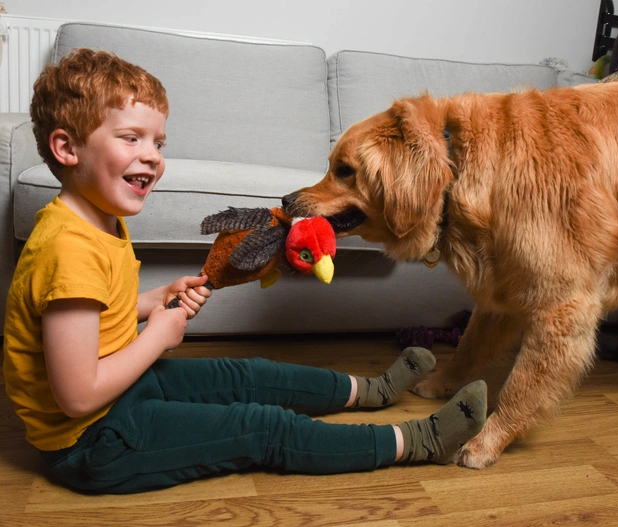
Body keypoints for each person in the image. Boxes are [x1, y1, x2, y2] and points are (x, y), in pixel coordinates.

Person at [2, 48, 488, 494]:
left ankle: (372, 391)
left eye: (158, 141)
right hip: (90, 442)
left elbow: (92, 319)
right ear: (67, 149)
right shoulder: (67, 247)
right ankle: (416, 441)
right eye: (132, 138)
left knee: (246, 375)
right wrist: (157, 336)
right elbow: (77, 395)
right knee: (259, 428)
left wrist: (153, 301)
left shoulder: (96, 220)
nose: (152, 155)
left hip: (122, 393)